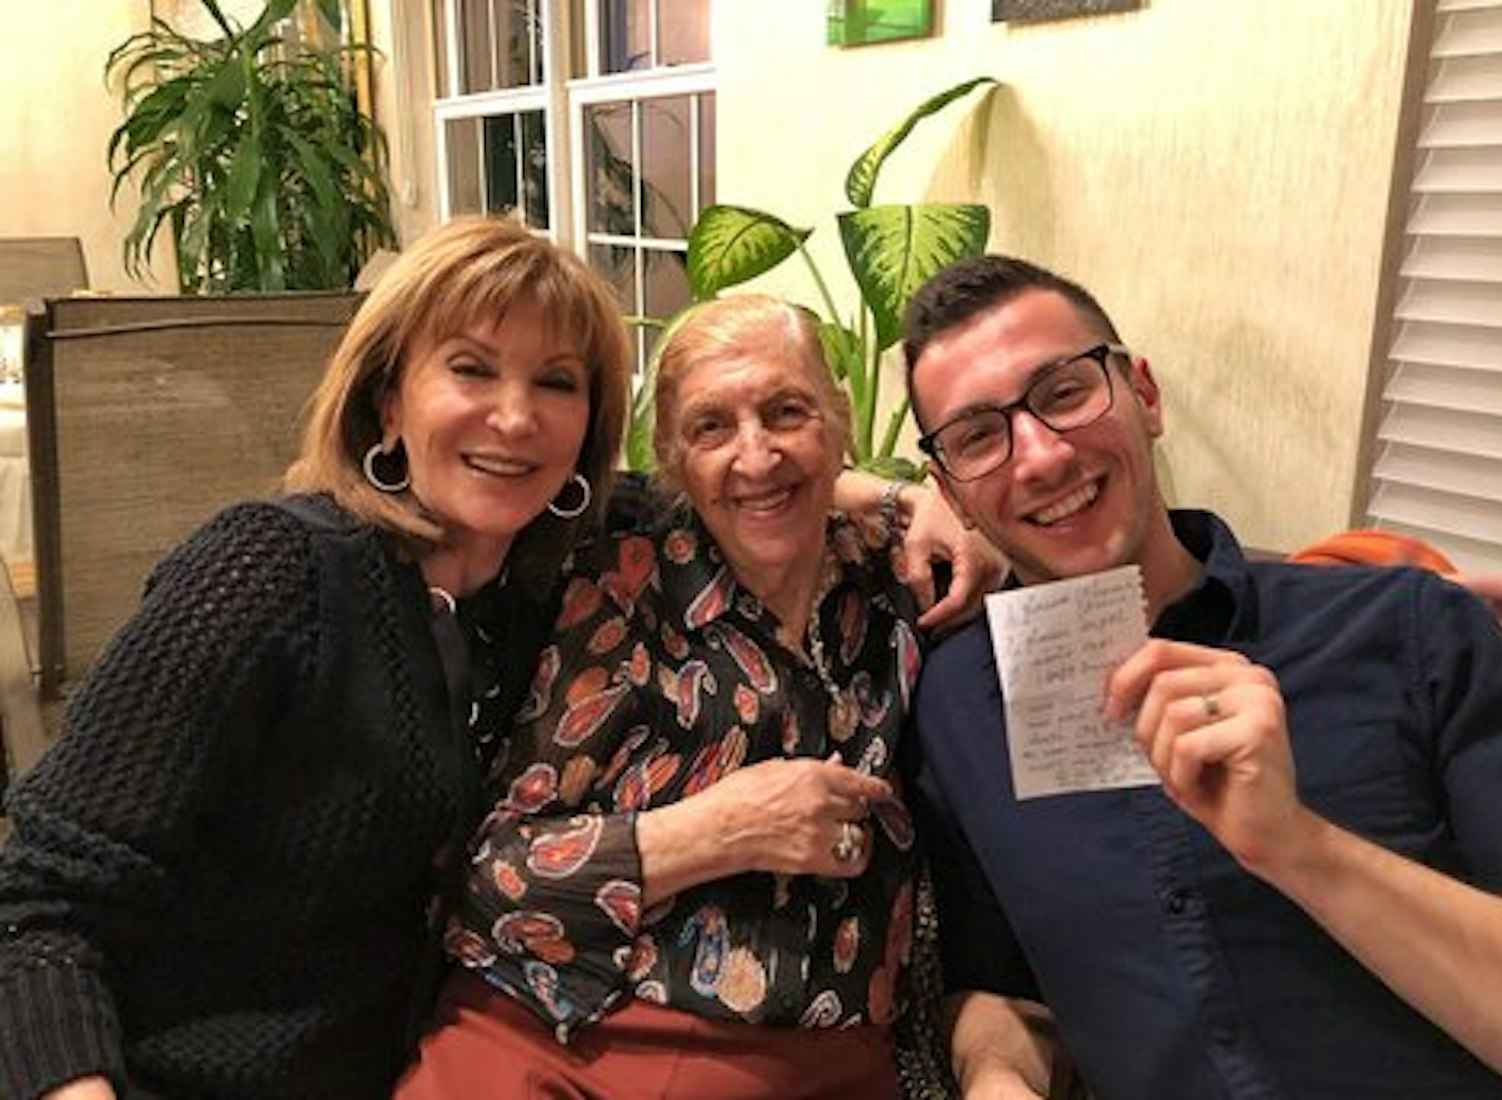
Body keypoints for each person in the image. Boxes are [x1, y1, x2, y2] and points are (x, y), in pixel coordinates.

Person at [898, 255, 1502, 1100]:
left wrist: (1300, 848)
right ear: (950, 492)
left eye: (1064, 392)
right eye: (978, 437)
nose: (1040, 456)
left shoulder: (1406, 631)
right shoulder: (956, 707)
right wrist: (996, 1073)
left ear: (1144, 395)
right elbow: (1003, 990)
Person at [0, 216, 633, 1100]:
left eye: (557, 382)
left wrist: (847, 485)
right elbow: (38, 908)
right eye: (470, 368)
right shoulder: (269, 572)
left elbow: (730, 481)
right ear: (388, 401)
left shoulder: (551, 585)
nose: (516, 416)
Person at [395, 295, 941, 1100]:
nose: (755, 456)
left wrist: (920, 501)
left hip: (824, 1059)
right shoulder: (622, 590)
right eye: (710, 428)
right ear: (673, 462)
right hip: (568, 1039)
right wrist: (715, 833)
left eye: (786, 412)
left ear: (838, 420)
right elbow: (489, 878)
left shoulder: (904, 583)